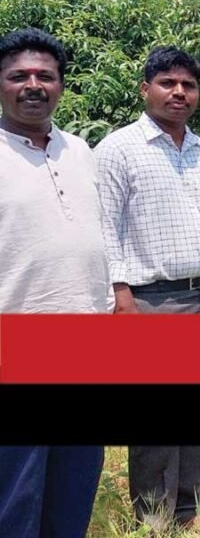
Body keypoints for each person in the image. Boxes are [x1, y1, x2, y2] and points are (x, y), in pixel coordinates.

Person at [94, 46, 200, 537]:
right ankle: (155, 518)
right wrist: (121, 300)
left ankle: (191, 510)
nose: (179, 93)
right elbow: (105, 230)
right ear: (146, 89)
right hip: (151, 300)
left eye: (188, 85)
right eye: (168, 83)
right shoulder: (117, 150)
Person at [0, 28, 108, 538]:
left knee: (75, 479)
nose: (33, 85)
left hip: (86, 339)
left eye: (45, 75)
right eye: (18, 76)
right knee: (15, 487)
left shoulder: (80, 151)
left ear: (62, 86)